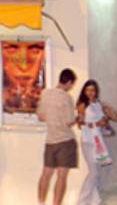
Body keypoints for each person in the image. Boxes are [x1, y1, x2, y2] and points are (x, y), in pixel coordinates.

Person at [37, 68, 78, 205]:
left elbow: (41, 116)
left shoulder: (45, 93)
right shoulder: (67, 98)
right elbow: (69, 121)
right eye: (72, 84)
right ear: (69, 82)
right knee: (61, 176)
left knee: (46, 173)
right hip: (65, 140)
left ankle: (41, 202)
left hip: (50, 140)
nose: (71, 87)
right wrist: (78, 117)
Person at [77, 80, 117, 204]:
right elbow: (80, 123)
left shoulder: (99, 103)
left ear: (96, 91)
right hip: (87, 140)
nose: (90, 92)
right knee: (94, 172)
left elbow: (115, 117)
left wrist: (106, 115)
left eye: (93, 90)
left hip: (97, 140)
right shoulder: (82, 104)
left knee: (96, 170)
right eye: (88, 90)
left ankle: (94, 200)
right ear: (84, 91)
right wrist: (96, 124)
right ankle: (82, 201)